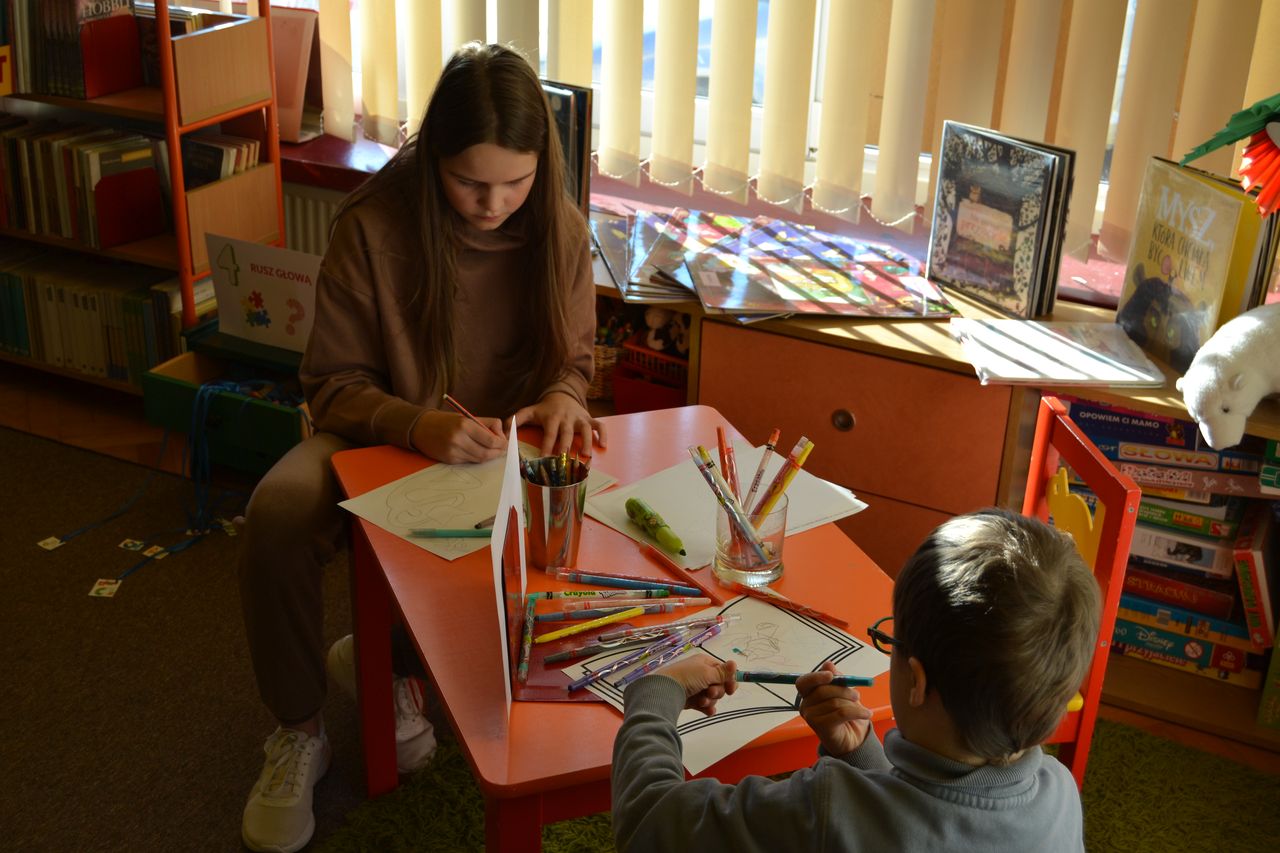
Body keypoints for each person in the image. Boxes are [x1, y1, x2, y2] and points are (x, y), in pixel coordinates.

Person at [238, 42, 604, 853]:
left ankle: (392, 665)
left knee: (556, 516)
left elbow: (573, 363)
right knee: (277, 513)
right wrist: (416, 423)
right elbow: (330, 383)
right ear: (434, 155)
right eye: (470, 182)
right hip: (376, 429)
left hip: (494, 447)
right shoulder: (374, 225)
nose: (493, 203)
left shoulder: (561, 229)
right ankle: (299, 728)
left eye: (516, 182)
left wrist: (564, 394)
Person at [610, 508, 1101, 852]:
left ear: (917, 681)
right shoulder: (1058, 794)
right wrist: (865, 761)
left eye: (891, 640)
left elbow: (649, 822)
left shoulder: (829, 811)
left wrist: (656, 694)